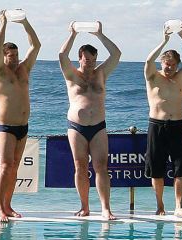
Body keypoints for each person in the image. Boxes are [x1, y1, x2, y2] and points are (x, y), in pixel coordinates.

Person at [59, 21, 121, 220]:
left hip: (98, 127)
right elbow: (62, 56)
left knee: (101, 166)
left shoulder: (101, 73)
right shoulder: (72, 75)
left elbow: (117, 54)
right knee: (80, 166)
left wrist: (100, 35)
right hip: (76, 127)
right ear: (80, 59)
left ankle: (105, 208)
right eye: (86, 60)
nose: (90, 64)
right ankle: (84, 206)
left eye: (93, 60)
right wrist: (73, 34)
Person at [0, 10, 41, 223]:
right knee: (5, 166)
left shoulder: (24, 70)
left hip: (23, 125)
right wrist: (3, 23)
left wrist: (24, 22)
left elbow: (36, 45)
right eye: (10, 56)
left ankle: (9, 205)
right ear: (4, 57)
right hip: (6, 126)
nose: (14, 60)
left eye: (16, 56)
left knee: (15, 168)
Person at [144, 22, 182, 217]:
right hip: (157, 125)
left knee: (180, 167)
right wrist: (164, 41)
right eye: (167, 65)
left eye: (174, 65)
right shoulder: (153, 76)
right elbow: (148, 61)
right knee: (156, 169)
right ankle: (160, 205)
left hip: (177, 125)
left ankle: (178, 206)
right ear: (162, 63)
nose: (170, 69)